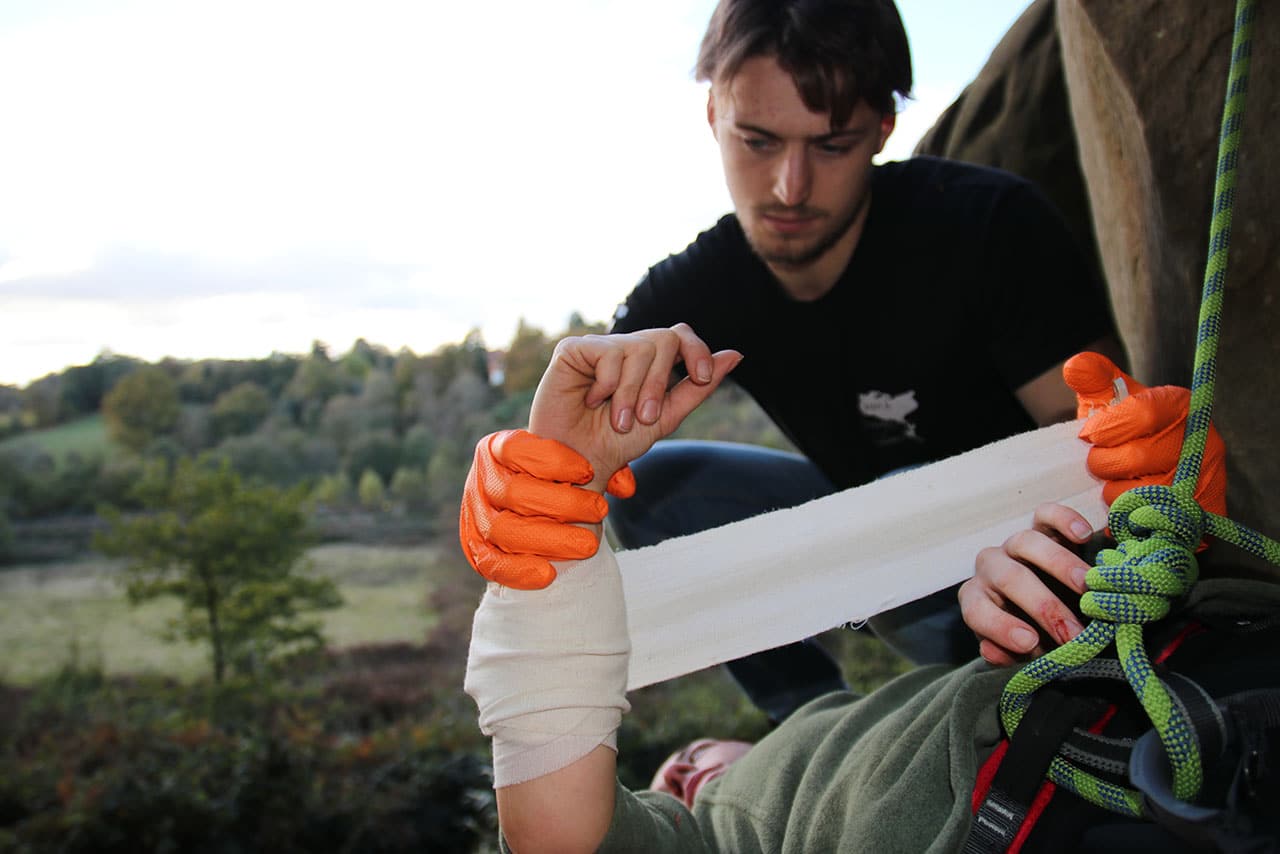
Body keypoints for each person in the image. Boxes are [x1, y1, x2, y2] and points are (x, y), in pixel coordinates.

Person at [461, 0, 1127, 721]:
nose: (790, 188)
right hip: (875, 549)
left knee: (917, 490)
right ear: (712, 115)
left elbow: (1097, 452)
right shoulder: (689, 290)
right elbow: (570, 452)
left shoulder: (992, 226)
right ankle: (818, 727)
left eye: (832, 145)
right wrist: (525, 477)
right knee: (654, 486)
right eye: (758, 141)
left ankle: (1005, 706)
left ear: (883, 129)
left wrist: (1130, 438)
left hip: (1037, 578)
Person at [463, 328, 1272, 853]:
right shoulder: (721, 835)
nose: (679, 769)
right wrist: (545, 589)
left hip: (1160, 691)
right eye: (673, 785)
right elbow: (559, 838)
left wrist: (1157, 541)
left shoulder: (855, 727)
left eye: (674, 763)